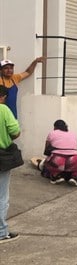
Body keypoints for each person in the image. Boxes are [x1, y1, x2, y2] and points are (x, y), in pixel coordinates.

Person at [0, 85, 21, 243]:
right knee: (2, 196)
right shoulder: (4, 110)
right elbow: (15, 132)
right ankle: (1, 232)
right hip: (2, 157)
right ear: (3, 97)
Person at [42, 120, 77, 186]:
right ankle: (74, 177)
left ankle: (56, 176)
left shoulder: (52, 133)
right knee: (76, 160)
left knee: (47, 162)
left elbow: (46, 150)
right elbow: (75, 146)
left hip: (59, 160)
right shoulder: (73, 134)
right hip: (75, 160)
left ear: (55, 127)